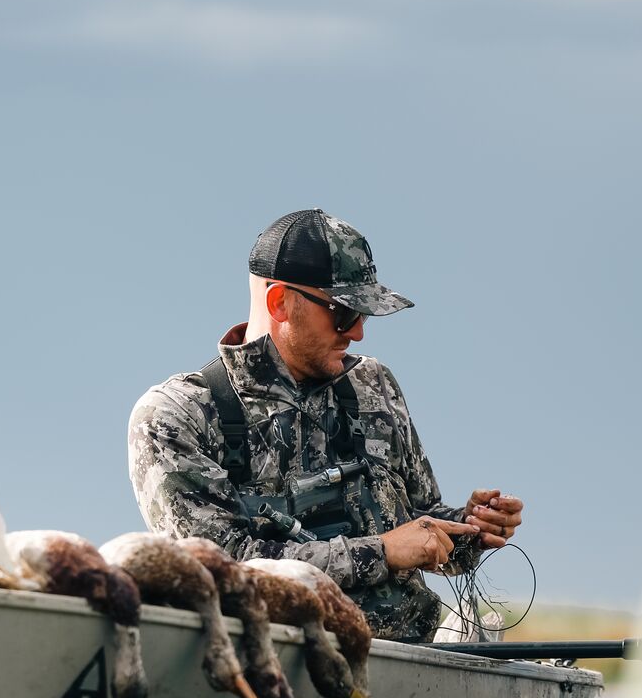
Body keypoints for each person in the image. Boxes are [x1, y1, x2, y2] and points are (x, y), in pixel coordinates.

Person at [127, 208, 524, 642]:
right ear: (280, 302)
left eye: (365, 316)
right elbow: (224, 571)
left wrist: (468, 528)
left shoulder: (374, 385)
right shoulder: (176, 417)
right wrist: (384, 552)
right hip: (276, 673)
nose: (358, 334)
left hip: (413, 669)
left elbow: (417, 523)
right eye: (343, 313)